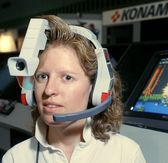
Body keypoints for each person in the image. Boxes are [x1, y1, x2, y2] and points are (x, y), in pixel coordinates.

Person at [2, 15, 146, 163]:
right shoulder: (15, 158)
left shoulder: (126, 154)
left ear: (96, 86)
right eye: (42, 76)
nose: (49, 90)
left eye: (67, 77)